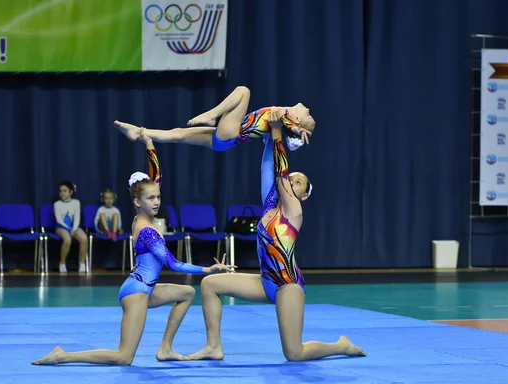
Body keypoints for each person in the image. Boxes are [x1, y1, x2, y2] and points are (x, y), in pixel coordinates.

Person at [32, 134, 235, 366]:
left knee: (187, 293)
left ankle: (166, 348)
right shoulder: (147, 231)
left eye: (158, 197)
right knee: (123, 357)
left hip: (145, 286)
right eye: (150, 198)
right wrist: (209, 269)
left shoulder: (144, 217)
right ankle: (63, 355)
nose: (156, 201)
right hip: (136, 292)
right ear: (138, 202)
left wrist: (149, 144)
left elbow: (156, 178)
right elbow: (173, 264)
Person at [187, 108, 366, 362]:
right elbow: (268, 169)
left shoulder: (294, 211)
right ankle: (213, 346)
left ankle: (340, 346)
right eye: (292, 179)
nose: (292, 182)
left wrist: (277, 135)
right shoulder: (271, 208)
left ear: (304, 195)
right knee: (209, 284)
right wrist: (269, 138)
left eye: (299, 182)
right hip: (265, 281)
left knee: (294, 353)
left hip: (287, 285)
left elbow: (281, 174)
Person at [113, 86, 314, 152]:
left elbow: (289, 125)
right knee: (179, 134)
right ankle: (139, 131)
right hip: (225, 139)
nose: (308, 109)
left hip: (231, 133)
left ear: (297, 119)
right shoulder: (283, 114)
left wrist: (297, 130)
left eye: (308, 114)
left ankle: (212, 115)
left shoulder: (284, 117)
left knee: (243, 91)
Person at [54, 181, 88, 273]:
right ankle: (62, 263)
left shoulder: (76, 202)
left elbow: (77, 218)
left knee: (84, 238)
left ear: (71, 192)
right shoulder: (57, 204)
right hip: (61, 227)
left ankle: (82, 263)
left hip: (74, 227)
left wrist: (74, 229)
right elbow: (59, 220)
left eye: (65, 191)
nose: (62, 193)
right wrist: (69, 230)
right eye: (60, 191)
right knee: (67, 239)